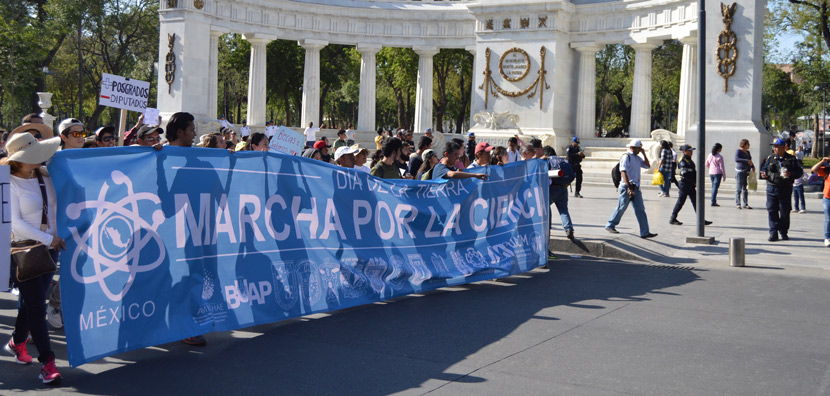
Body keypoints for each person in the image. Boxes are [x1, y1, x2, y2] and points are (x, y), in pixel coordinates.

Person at [4, 132, 64, 383]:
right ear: (18, 159)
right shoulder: (7, 184)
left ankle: (17, 342)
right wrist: (50, 239)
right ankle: (47, 363)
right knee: (37, 308)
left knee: (34, 302)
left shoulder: (45, 174)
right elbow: (15, 223)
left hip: (50, 248)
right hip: (24, 251)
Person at [605, 139, 657, 239]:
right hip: (626, 187)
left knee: (640, 210)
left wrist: (644, 154)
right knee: (622, 207)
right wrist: (628, 186)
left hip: (636, 187)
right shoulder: (626, 157)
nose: (640, 150)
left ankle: (645, 232)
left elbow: (647, 165)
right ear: (633, 148)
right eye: (639, 148)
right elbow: (623, 171)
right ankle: (610, 225)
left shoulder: (637, 158)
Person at [760, 138, 804, 241]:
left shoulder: (791, 159)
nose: (774, 149)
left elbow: (799, 172)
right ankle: (773, 232)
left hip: (785, 189)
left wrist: (791, 174)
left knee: (785, 211)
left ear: (783, 147)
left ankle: (783, 231)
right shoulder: (771, 158)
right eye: (774, 147)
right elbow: (764, 169)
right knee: (772, 210)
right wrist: (764, 174)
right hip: (771, 187)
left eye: (777, 147)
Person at [669, 144, 713, 226]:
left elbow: (693, 172)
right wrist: (694, 181)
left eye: (691, 150)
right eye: (689, 151)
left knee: (696, 202)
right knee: (681, 201)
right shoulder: (683, 160)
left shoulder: (689, 160)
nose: (691, 152)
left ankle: (701, 219)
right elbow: (685, 173)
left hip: (690, 184)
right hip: (685, 183)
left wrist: (696, 181)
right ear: (685, 151)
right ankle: (673, 218)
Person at [547, 148, 576, 240]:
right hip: (564, 188)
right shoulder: (564, 160)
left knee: (545, 206)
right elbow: (573, 174)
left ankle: (547, 228)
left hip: (552, 189)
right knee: (563, 210)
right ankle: (569, 229)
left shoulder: (548, 160)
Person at [810, 157, 830, 247]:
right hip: (827, 199)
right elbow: (813, 169)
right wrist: (822, 161)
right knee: (828, 219)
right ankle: (827, 238)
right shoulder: (826, 171)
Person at [735, 138, 755, 209]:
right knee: (739, 188)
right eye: (748, 144)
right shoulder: (738, 151)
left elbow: (750, 160)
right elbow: (736, 159)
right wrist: (746, 160)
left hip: (747, 171)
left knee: (745, 188)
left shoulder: (748, 152)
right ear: (744, 144)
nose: (749, 145)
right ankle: (738, 203)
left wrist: (753, 166)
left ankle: (745, 203)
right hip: (740, 171)